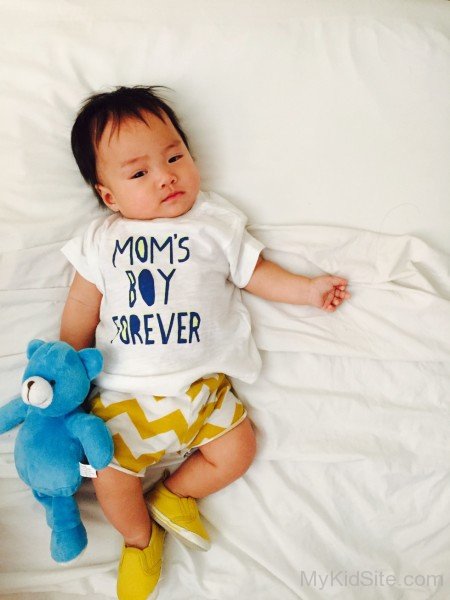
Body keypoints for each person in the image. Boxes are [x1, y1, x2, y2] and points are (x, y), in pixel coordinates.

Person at [60, 85, 350, 600]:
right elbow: (82, 307)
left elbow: (256, 273)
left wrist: (306, 290)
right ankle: (138, 539)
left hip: (204, 390)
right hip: (125, 397)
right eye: (139, 173)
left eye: (174, 156)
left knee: (238, 449)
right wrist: (67, 370)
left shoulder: (214, 223)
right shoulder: (102, 239)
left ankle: (174, 496)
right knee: (111, 477)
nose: (166, 175)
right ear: (109, 196)